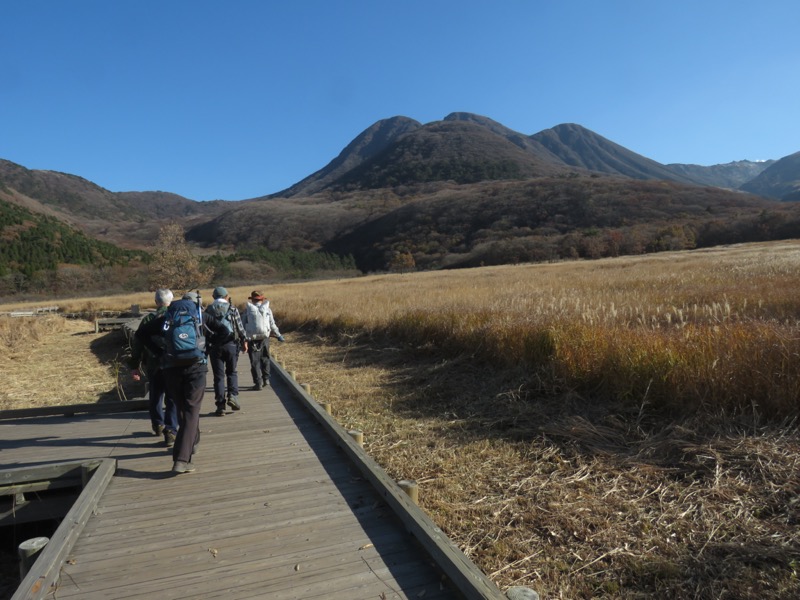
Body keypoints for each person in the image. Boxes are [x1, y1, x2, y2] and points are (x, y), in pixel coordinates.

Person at [135, 290, 229, 474]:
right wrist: (208, 349)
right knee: (192, 411)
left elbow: (141, 333)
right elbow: (225, 331)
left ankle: (192, 442)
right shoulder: (201, 316)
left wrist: (158, 352)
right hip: (196, 368)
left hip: (171, 368)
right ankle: (181, 459)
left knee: (182, 410)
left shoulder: (168, 318)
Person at [129, 288, 178, 447]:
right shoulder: (175, 316)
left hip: (153, 363)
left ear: (156, 302)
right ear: (172, 301)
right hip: (172, 362)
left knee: (156, 395)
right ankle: (171, 431)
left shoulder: (148, 319)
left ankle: (158, 424)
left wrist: (134, 365)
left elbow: (137, 342)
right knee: (172, 397)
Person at [205, 286, 248, 416]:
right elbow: (239, 327)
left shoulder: (208, 310)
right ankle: (233, 396)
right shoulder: (232, 309)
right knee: (231, 372)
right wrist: (244, 340)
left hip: (214, 346)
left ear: (213, 297)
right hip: (231, 344)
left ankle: (220, 405)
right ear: (227, 296)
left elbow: (205, 329)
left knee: (218, 377)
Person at [241, 290, 285, 390]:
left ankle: (258, 383)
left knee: (254, 361)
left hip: (252, 339)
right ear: (262, 299)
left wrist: (243, 340)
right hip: (265, 338)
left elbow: (243, 326)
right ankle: (266, 379)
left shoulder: (247, 310)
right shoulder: (267, 310)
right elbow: (272, 324)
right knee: (265, 358)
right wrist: (279, 335)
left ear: (252, 300)